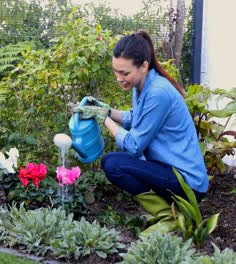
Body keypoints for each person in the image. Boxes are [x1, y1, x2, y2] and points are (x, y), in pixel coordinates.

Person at [74, 30, 208, 235]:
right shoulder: (143, 85)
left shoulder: (158, 92)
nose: (119, 78)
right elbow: (135, 117)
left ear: (144, 66)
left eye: (125, 73)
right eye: (116, 71)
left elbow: (134, 146)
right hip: (168, 169)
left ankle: (168, 217)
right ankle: (168, 212)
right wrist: (106, 110)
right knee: (113, 162)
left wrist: (104, 119)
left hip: (187, 182)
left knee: (114, 164)